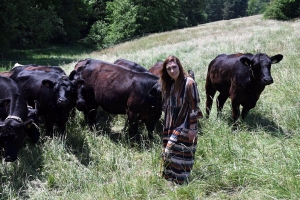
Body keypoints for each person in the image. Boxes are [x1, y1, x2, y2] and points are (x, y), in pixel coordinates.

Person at [160, 55, 203, 186]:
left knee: (181, 154)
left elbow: (194, 107)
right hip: (170, 125)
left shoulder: (189, 83)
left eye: (174, 67)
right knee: (169, 154)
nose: (172, 71)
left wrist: (193, 128)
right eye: (169, 69)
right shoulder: (169, 85)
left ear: (179, 66)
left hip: (184, 125)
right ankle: (171, 181)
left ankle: (181, 183)